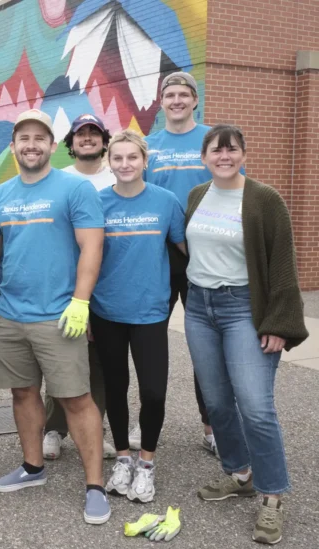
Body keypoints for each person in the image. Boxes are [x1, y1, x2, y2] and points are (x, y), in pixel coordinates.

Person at [0, 109, 110, 525]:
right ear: (13, 146)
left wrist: (81, 301)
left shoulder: (74, 188)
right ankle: (32, 468)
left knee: (75, 398)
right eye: (23, 138)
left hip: (58, 313)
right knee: (22, 393)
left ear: (53, 146)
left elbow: (92, 246)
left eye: (39, 138)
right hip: (11, 314)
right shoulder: (0, 195)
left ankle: (95, 486)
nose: (31, 145)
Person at [184, 124, 308, 545]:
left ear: (243, 154)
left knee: (256, 407)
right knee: (216, 401)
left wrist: (279, 322)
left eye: (231, 149)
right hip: (200, 308)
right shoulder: (197, 196)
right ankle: (239, 475)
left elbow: (282, 264)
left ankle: (272, 497)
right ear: (204, 157)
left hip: (244, 310)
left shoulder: (264, 199)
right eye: (216, 150)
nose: (224, 156)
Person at [89, 130, 186, 504]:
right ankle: (123, 459)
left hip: (149, 311)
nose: (125, 164)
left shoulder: (166, 201)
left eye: (132, 157)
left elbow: (185, 250)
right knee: (114, 387)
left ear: (145, 161)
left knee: (153, 392)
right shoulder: (97, 202)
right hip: (106, 310)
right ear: (109, 162)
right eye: (118, 158)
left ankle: (147, 463)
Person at [144, 71, 217, 455]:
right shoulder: (147, 145)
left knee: (205, 344)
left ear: (194, 100)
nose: (176, 100)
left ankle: (212, 427)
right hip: (157, 255)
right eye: (169, 94)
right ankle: (145, 424)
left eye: (183, 94)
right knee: (146, 339)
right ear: (161, 101)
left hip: (204, 254)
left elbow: (231, 190)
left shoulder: (210, 140)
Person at [43, 113, 116, 461]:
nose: (87, 139)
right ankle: (54, 428)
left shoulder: (120, 176)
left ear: (104, 140)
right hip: (67, 284)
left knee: (99, 362)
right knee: (60, 357)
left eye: (94, 133)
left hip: (110, 284)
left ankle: (93, 427)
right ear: (70, 144)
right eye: (80, 134)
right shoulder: (58, 180)